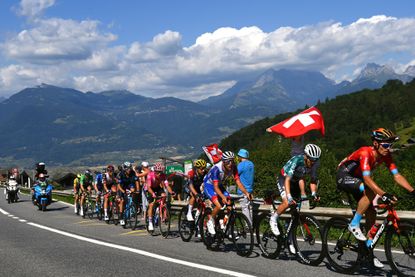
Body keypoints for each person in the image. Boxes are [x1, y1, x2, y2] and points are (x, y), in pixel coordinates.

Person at [336, 128, 415, 268]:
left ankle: (367, 252)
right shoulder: (366, 152)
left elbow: (397, 176)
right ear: (376, 143)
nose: (388, 148)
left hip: (358, 180)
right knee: (371, 191)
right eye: (385, 145)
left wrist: (412, 190)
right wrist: (384, 194)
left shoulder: (386, 156)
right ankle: (354, 224)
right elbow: (367, 179)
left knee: (372, 212)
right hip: (344, 177)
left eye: (390, 145)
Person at [269, 144, 321, 238]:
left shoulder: (315, 163)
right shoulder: (297, 160)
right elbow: (287, 180)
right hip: (283, 179)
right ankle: (274, 218)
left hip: (296, 181)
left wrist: (314, 194)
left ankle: (289, 239)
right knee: (287, 202)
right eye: (311, 160)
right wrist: (288, 196)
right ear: (306, 156)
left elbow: (313, 181)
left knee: (296, 211)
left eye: (315, 160)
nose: (313, 162)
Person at [203, 151, 252, 235]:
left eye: (232, 161)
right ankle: (210, 221)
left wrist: (246, 193)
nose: (230, 164)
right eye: (228, 161)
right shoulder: (216, 169)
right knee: (219, 205)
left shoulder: (234, 168)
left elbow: (238, 182)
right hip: (209, 185)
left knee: (229, 203)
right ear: (223, 162)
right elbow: (215, 187)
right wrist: (222, 197)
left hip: (219, 185)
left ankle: (223, 222)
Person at [146, 162, 175, 231]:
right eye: (157, 172)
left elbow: (167, 185)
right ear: (155, 171)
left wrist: (171, 192)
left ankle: (161, 207)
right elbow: (148, 187)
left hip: (158, 188)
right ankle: (150, 222)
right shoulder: (150, 175)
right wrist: (153, 194)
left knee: (164, 195)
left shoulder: (163, 176)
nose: (159, 174)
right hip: (150, 189)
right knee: (151, 204)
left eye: (160, 172)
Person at [236, 149, 255, 224]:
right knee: (250, 208)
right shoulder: (251, 164)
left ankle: (248, 226)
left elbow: (235, 175)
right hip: (250, 190)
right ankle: (251, 225)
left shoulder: (241, 165)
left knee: (244, 209)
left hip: (243, 190)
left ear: (240, 156)